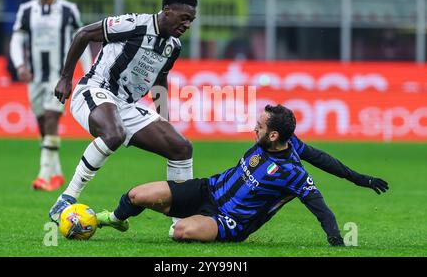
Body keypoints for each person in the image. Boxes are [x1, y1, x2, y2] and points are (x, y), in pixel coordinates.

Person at [96, 104, 389, 244]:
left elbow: (320, 207)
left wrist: (336, 241)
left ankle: (194, 221)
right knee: (137, 195)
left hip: (230, 221)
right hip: (207, 189)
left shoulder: (292, 172)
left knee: (179, 231)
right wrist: (362, 179)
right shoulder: (289, 141)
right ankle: (113, 220)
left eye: (259, 127)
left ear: (273, 135)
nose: (254, 129)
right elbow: (325, 159)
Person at [48, 0, 198, 228]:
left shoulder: (174, 47)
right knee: (113, 134)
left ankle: (181, 222)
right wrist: (66, 77)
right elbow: (83, 34)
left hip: (126, 105)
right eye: (184, 17)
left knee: (181, 147)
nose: (187, 24)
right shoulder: (133, 24)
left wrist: (163, 117)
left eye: (191, 20)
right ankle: (66, 199)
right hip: (95, 89)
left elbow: (159, 81)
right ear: (167, 10)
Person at [10, 0, 92, 191]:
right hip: (35, 77)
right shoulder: (26, 10)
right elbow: (17, 40)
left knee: (50, 118)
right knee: (42, 126)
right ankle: (56, 173)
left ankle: (43, 176)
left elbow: (81, 41)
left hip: (60, 77)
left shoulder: (68, 10)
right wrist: (19, 65)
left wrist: (87, 72)